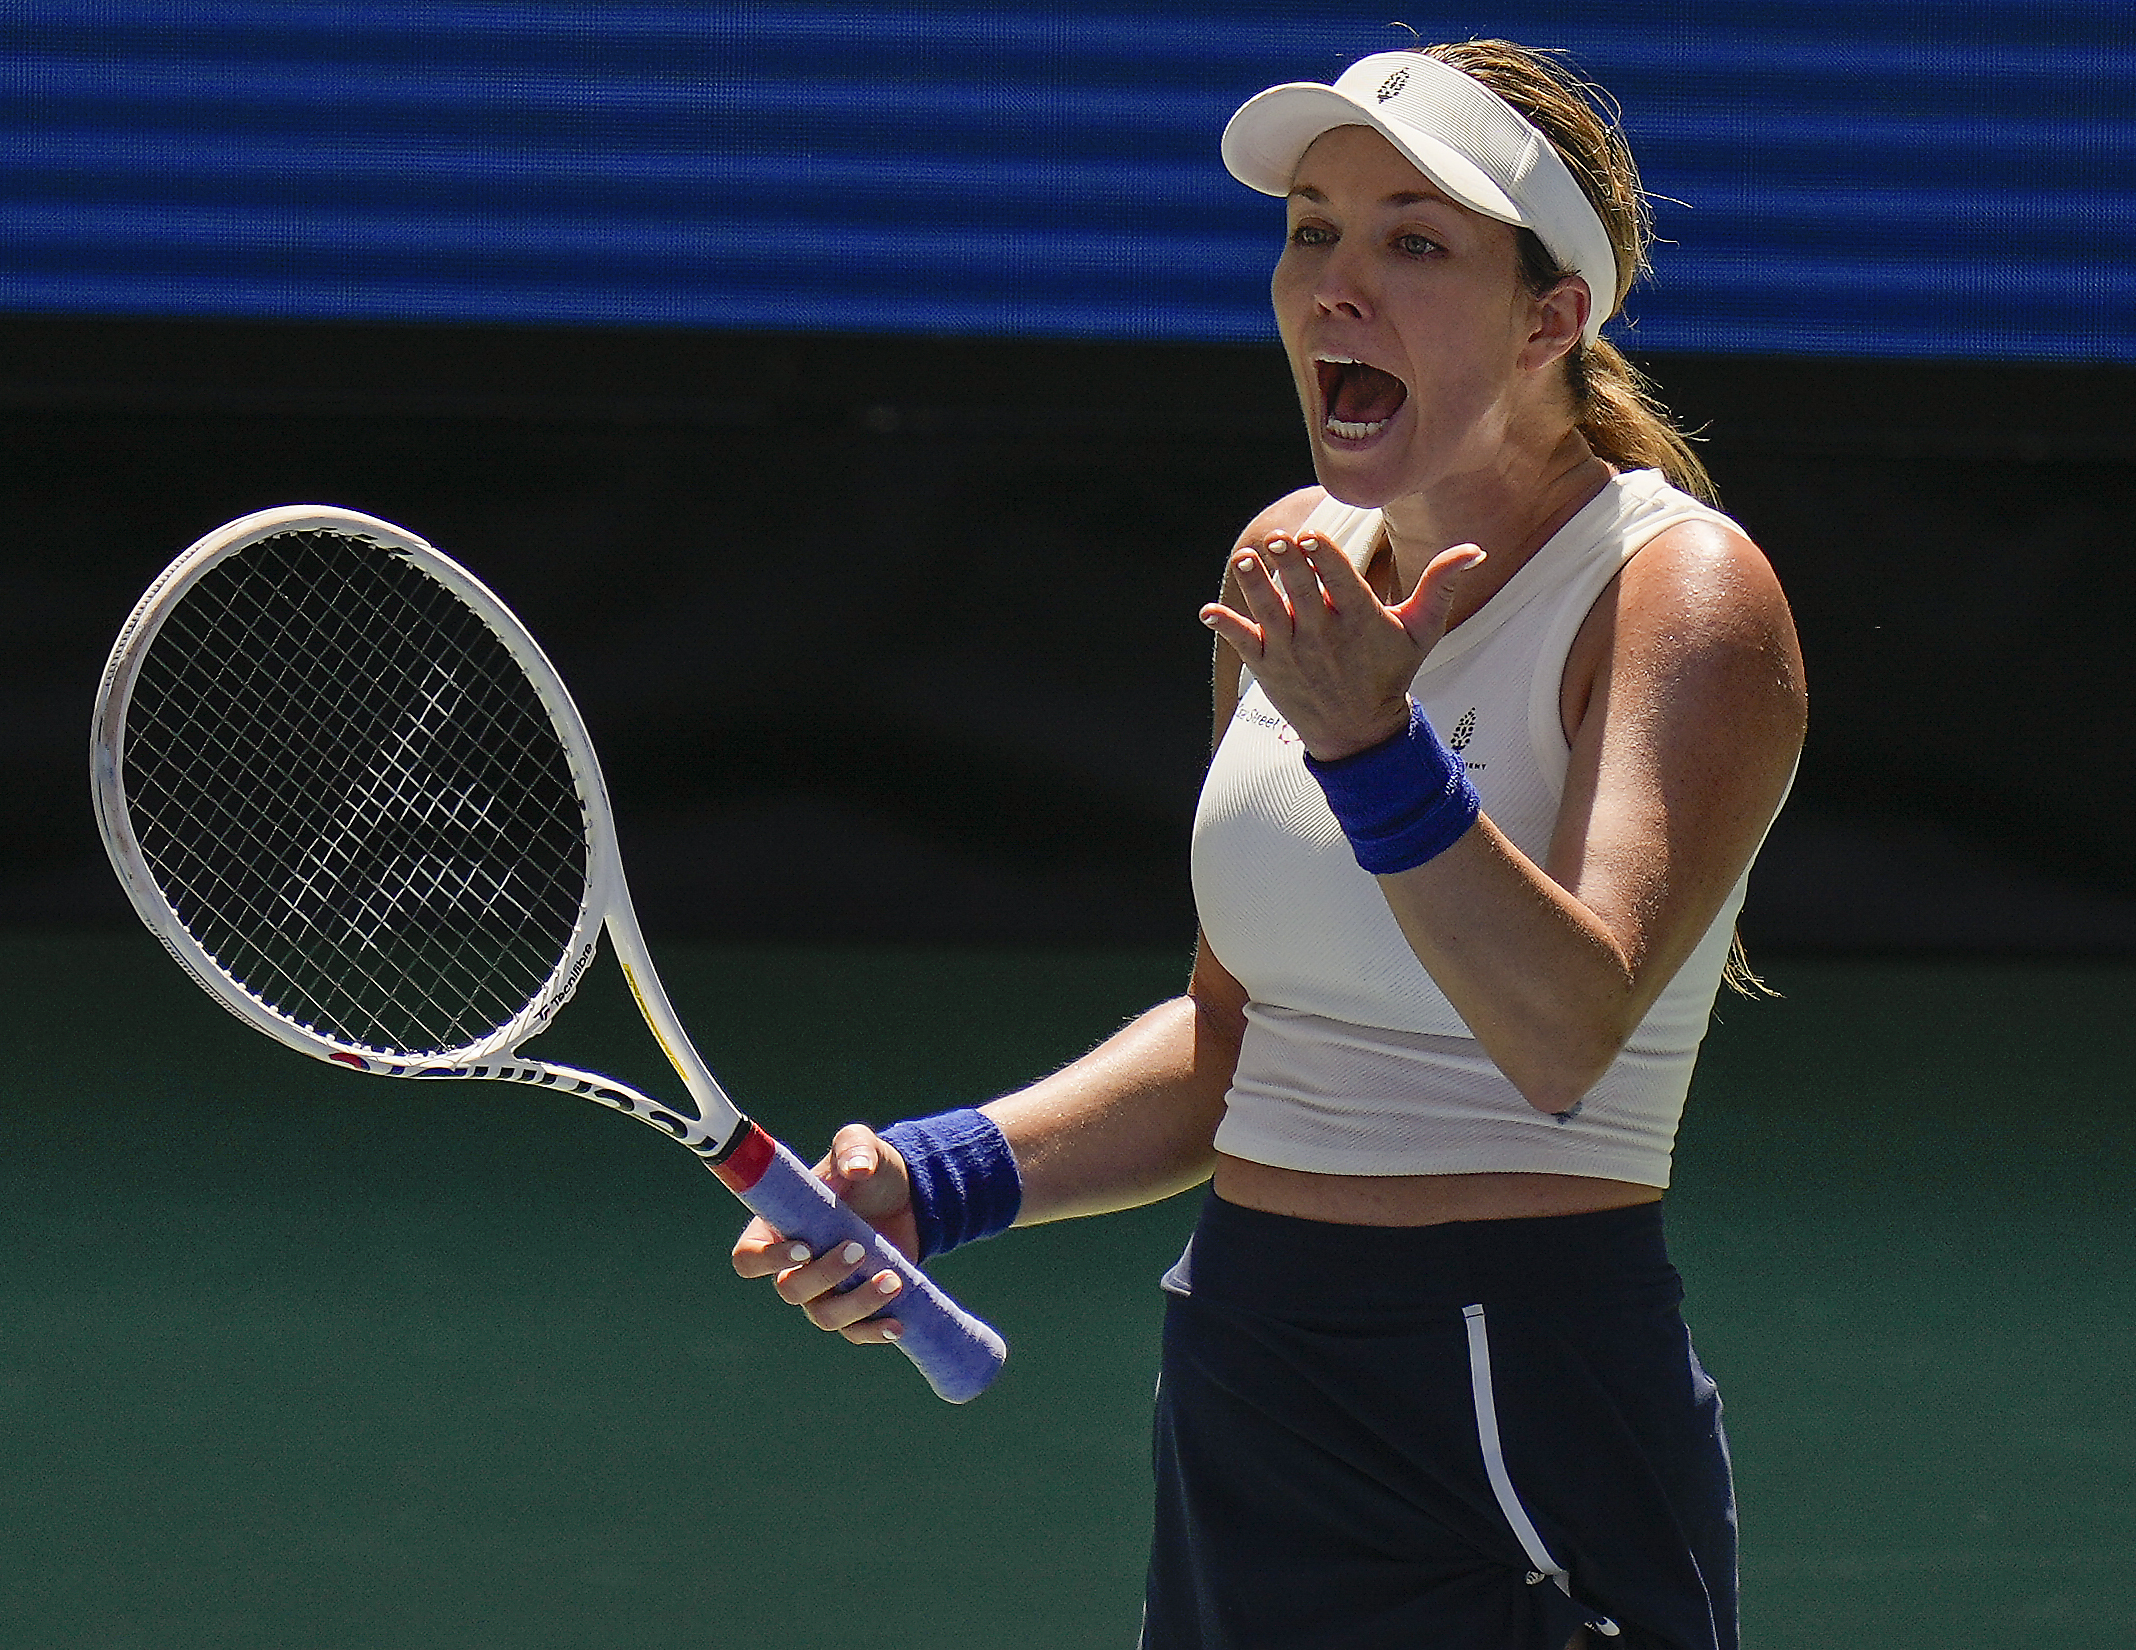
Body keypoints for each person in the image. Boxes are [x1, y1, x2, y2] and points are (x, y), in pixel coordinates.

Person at [731, 38, 1805, 1650]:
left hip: (1513, 1387)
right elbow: (1237, 1038)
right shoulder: (1290, 565)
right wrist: (943, 1176)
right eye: (1311, 229)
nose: (1334, 287)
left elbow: (1567, 1032)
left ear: (1553, 317)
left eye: (1413, 241)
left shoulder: (1683, 598)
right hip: (1244, 1364)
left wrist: (1374, 747)